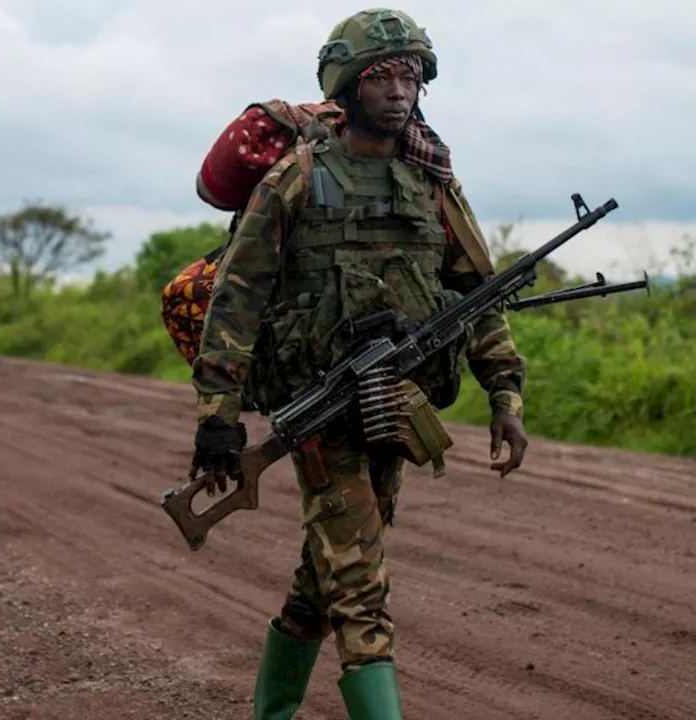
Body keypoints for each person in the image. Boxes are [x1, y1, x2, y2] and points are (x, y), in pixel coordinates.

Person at [187, 10, 529, 719]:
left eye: (412, 77)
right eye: (384, 76)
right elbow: (236, 299)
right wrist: (217, 419)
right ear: (349, 84)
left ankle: (271, 713)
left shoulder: (427, 179)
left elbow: (479, 290)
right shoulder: (299, 177)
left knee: (329, 575)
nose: (401, 91)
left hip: (394, 407)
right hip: (322, 410)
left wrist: (506, 393)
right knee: (362, 588)